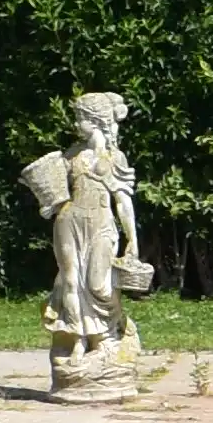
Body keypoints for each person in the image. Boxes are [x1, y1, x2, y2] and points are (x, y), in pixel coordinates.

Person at [23, 91, 151, 382]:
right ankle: (78, 339)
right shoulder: (72, 154)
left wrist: (132, 239)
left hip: (100, 225)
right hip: (68, 222)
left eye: (80, 118)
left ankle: (109, 335)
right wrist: (49, 200)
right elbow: (56, 191)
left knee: (99, 285)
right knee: (70, 282)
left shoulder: (114, 157)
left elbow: (123, 203)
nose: (75, 123)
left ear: (97, 120)